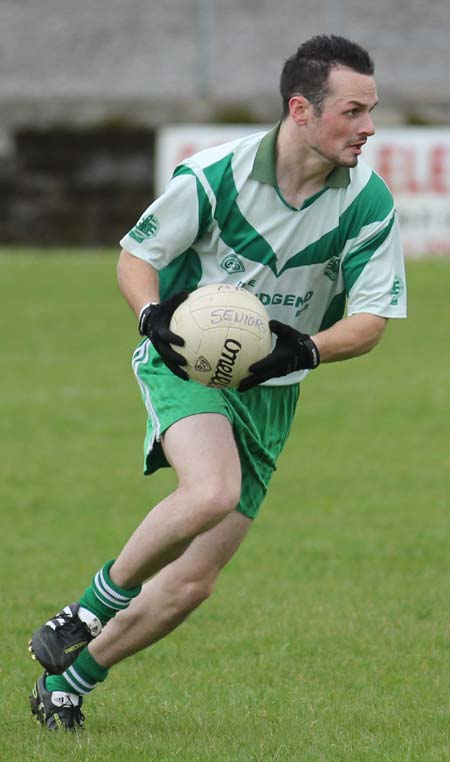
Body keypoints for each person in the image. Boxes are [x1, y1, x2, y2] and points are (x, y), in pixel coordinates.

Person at [29, 34, 407, 731]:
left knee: (192, 585)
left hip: (273, 391)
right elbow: (137, 257)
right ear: (302, 109)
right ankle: (86, 608)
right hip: (185, 365)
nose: (369, 127)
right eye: (353, 112)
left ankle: (69, 682)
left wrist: (303, 350)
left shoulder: (367, 204)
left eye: (371, 111)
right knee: (211, 490)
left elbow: (373, 320)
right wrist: (152, 316)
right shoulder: (214, 175)